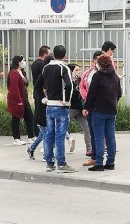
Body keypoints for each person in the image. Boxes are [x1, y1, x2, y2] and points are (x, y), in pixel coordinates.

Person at [39, 45, 76, 173]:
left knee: (49, 134)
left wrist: (47, 95)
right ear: (65, 55)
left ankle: (49, 163)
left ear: (53, 54)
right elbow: (69, 85)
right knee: (60, 135)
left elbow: (41, 84)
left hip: (49, 105)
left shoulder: (46, 67)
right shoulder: (64, 67)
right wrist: (66, 101)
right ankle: (61, 163)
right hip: (61, 106)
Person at [82, 55, 122, 171]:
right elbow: (119, 94)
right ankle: (110, 162)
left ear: (99, 64)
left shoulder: (97, 76)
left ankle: (99, 163)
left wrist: (86, 107)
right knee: (110, 137)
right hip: (111, 111)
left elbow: (91, 94)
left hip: (98, 111)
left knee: (98, 137)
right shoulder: (115, 76)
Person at [27, 55, 54, 160]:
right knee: (47, 134)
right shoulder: (43, 76)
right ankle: (46, 156)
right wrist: (44, 97)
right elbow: (37, 88)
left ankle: (31, 149)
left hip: (49, 110)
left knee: (44, 135)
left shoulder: (51, 76)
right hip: (42, 112)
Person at [79, 50, 102, 166]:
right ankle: (96, 155)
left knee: (100, 133)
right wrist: (87, 99)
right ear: (94, 60)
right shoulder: (88, 73)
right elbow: (82, 87)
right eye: (97, 59)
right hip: (91, 105)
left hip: (100, 106)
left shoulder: (105, 73)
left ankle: (98, 157)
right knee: (93, 132)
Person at [7, 55, 35, 145]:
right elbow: (14, 88)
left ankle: (31, 136)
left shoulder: (22, 72)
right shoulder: (14, 72)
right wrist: (19, 101)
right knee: (16, 117)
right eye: (22, 61)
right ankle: (16, 138)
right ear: (18, 62)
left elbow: (25, 84)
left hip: (24, 98)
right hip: (17, 99)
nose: (24, 62)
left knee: (29, 117)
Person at [68, 64, 92, 155]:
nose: (79, 72)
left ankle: (89, 149)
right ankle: (52, 148)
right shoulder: (67, 81)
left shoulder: (80, 81)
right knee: (62, 129)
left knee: (87, 128)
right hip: (70, 109)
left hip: (80, 109)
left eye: (79, 70)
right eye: (76, 70)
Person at [31, 45, 51, 136]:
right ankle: (39, 133)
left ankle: (36, 132)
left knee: (38, 112)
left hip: (37, 90)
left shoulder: (35, 63)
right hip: (41, 92)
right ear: (44, 54)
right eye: (49, 54)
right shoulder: (42, 64)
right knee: (41, 113)